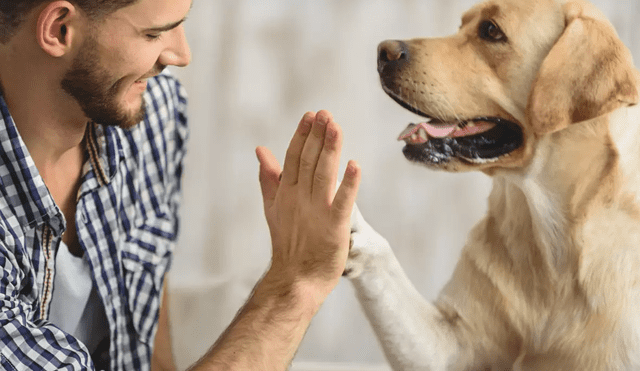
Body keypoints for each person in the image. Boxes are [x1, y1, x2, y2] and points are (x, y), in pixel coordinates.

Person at [0, 0, 361, 370]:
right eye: (153, 33)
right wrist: (296, 284)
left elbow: (146, 317)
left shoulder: (152, 112)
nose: (181, 55)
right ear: (59, 29)